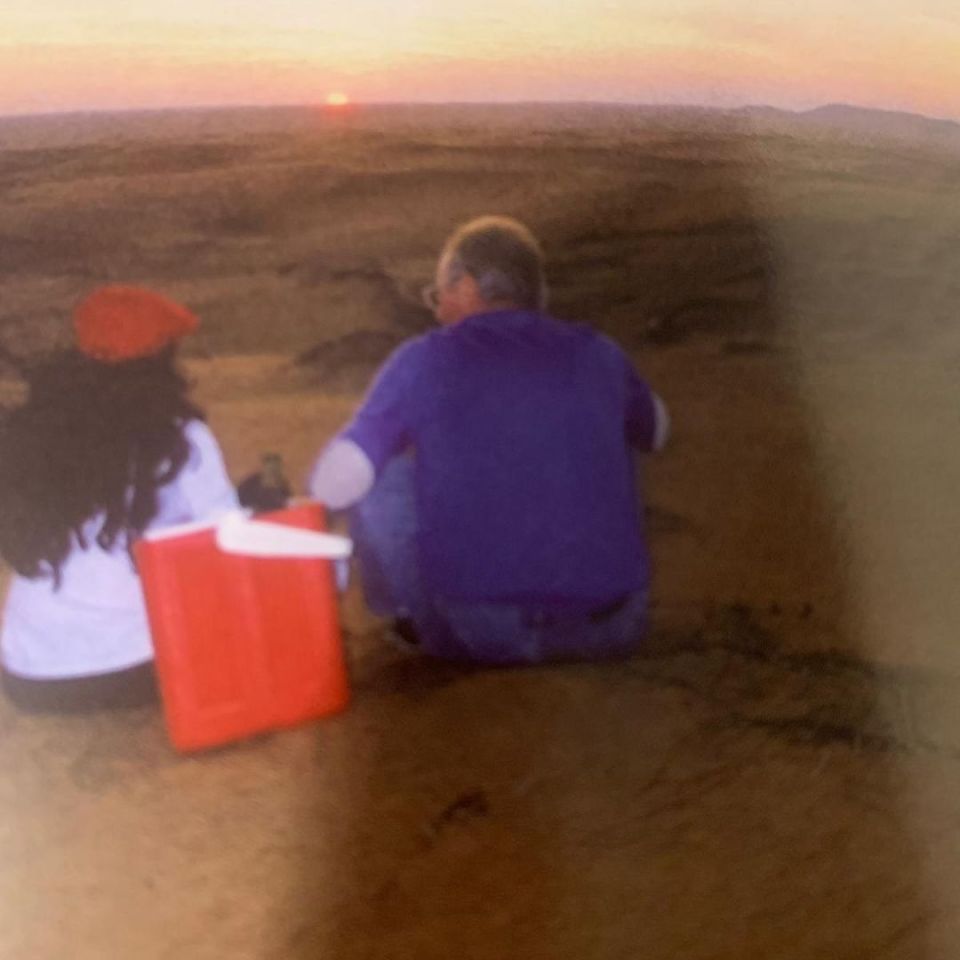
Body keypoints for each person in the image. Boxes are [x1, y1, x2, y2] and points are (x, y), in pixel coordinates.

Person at [309, 215, 668, 665]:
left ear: (466, 285)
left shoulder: (426, 360)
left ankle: (410, 619)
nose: (438, 313)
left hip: (487, 634)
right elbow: (655, 430)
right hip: (614, 627)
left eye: (439, 296)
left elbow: (337, 482)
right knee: (609, 438)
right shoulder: (598, 352)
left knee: (387, 478)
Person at [0, 285, 238, 711]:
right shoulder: (182, 439)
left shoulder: (37, 434)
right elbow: (228, 542)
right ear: (161, 359)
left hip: (27, 677)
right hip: (133, 670)